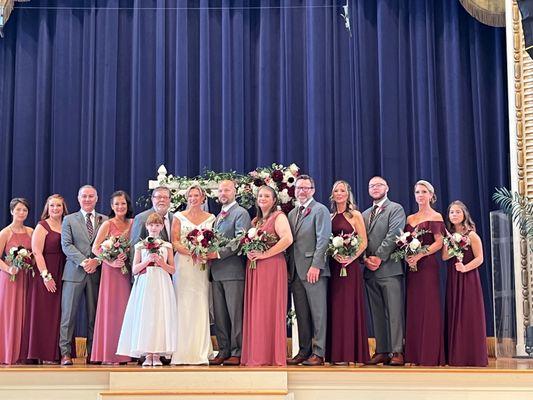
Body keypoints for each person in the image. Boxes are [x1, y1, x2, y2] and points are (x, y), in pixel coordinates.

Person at [241, 186, 293, 366]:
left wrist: (264, 254)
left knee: (268, 309)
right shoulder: (256, 220)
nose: (262, 198)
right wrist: (249, 251)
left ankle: (271, 355)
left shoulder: (279, 217)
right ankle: (257, 353)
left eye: (267, 196)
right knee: (257, 310)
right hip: (255, 268)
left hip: (271, 267)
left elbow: (287, 239)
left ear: (274, 200)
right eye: (260, 195)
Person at [116, 213, 177, 366]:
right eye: (151, 225)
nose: (154, 228)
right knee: (146, 315)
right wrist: (147, 261)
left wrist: (161, 263)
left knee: (159, 316)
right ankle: (147, 353)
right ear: (147, 226)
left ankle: (157, 354)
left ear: (162, 227)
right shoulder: (140, 246)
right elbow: (135, 269)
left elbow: (172, 270)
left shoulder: (167, 246)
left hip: (161, 282)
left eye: (157, 225)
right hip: (145, 282)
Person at [59, 185, 106, 365]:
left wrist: (97, 261)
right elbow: (67, 245)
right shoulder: (69, 220)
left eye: (91, 196)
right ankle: (65, 353)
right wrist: (85, 261)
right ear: (78, 199)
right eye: (84, 196)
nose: (87, 199)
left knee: (94, 315)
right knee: (68, 316)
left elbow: (107, 245)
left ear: (96, 198)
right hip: (74, 273)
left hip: (96, 274)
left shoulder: (105, 219)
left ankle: (93, 353)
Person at [287, 175, 331, 366]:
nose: (302, 191)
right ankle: (304, 351)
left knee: (318, 312)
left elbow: (323, 240)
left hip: (313, 270)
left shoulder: (320, 210)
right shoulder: (292, 213)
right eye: (298, 188)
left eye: (306, 188)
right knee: (302, 313)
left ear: (313, 190)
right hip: (296, 271)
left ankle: (319, 352)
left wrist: (316, 265)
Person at [362, 176, 406, 366]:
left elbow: (394, 234)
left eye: (379, 185)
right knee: (377, 312)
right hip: (369, 271)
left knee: (394, 312)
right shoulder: (363, 214)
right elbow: (360, 239)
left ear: (387, 187)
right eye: (371, 185)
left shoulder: (396, 209)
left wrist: (378, 257)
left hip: (389, 269)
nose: (375, 188)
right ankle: (382, 350)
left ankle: (397, 351)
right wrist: (364, 259)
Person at [208, 180, 251, 366]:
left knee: (235, 314)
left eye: (226, 189)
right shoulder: (219, 215)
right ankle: (223, 349)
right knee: (220, 315)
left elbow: (240, 240)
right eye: (220, 190)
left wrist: (217, 253)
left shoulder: (240, 213)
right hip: (216, 272)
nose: (223, 193)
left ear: (235, 192)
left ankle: (237, 351)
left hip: (233, 272)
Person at [171, 184, 214, 365]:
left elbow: (213, 241)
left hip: (201, 267)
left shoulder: (211, 217)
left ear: (203, 198)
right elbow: (175, 241)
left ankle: (200, 350)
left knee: (200, 302)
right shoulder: (178, 216)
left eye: (196, 195)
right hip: (184, 265)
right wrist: (192, 252)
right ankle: (181, 350)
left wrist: (203, 252)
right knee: (183, 304)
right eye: (190, 196)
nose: (193, 199)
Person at [326, 180, 369, 365]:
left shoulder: (355, 215)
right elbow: (326, 241)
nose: (339, 193)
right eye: (336, 190)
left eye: (342, 190)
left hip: (350, 267)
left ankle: (353, 353)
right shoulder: (329, 216)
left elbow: (363, 241)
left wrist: (351, 258)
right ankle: (337, 354)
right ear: (332, 194)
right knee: (336, 307)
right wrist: (335, 255)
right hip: (335, 266)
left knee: (350, 306)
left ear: (348, 193)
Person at [404, 180, 445, 366]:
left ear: (431, 195)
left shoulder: (436, 216)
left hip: (427, 267)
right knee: (414, 308)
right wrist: (407, 256)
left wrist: (420, 255)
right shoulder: (410, 218)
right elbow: (404, 242)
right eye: (417, 192)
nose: (420, 195)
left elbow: (439, 242)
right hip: (413, 268)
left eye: (423, 192)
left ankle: (429, 354)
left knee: (428, 308)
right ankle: (413, 355)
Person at [443, 201, 488, 366]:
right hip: (453, 279)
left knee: (469, 314)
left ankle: (472, 355)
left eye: (457, 212)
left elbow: (480, 258)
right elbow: (444, 257)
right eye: (451, 212)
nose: (454, 215)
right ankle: (456, 355)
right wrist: (453, 244)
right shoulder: (449, 235)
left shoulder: (472, 235)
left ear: (464, 215)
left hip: (468, 279)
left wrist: (465, 268)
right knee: (455, 312)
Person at [90, 191, 133, 364]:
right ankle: (108, 353)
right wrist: (110, 260)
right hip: (111, 271)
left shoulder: (133, 222)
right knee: (110, 310)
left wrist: (127, 254)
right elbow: (95, 248)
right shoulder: (107, 224)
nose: (120, 207)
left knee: (125, 310)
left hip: (127, 270)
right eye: (116, 204)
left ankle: (125, 354)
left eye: (123, 204)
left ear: (127, 205)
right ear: (111, 206)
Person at [26, 195, 68, 364]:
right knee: (45, 313)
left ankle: (58, 353)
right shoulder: (42, 226)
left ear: (63, 207)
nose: (55, 208)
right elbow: (36, 251)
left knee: (60, 314)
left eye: (58, 205)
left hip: (63, 272)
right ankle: (43, 353)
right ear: (47, 208)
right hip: (47, 273)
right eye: (52, 206)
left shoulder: (67, 224)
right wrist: (46, 276)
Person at [0, 198, 33, 364]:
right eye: (18, 209)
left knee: (26, 313)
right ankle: (7, 353)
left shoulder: (31, 232)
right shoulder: (5, 233)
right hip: (10, 279)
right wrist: (8, 269)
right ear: (12, 211)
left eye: (25, 210)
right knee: (10, 314)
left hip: (26, 278)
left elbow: (35, 254)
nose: (22, 213)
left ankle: (23, 354)